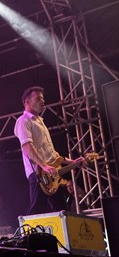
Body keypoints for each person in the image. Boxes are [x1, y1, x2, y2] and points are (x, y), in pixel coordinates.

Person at [13, 86, 86, 215]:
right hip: (38, 174)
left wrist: (72, 162)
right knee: (37, 211)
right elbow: (27, 147)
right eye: (38, 99)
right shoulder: (23, 121)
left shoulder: (40, 123)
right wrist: (44, 166)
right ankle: (30, 235)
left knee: (62, 211)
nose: (43, 102)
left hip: (52, 174)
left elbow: (54, 155)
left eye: (43, 99)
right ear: (27, 102)